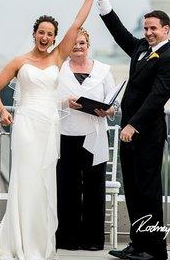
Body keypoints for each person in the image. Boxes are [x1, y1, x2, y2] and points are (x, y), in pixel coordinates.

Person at [0, 0, 98, 260]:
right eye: (41, 32)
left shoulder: (57, 56)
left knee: (43, 183)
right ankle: (18, 240)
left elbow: (77, 23)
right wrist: (2, 112)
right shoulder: (19, 61)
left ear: (54, 38)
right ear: (34, 34)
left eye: (50, 34)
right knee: (25, 180)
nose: (45, 37)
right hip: (26, 125)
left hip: (49, 126)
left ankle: (38, 241)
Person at [96, 0, 170, 260]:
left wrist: (134, 124)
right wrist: (104, 1)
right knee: (132, 191)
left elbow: (156, 98)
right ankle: (138, 244)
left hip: (146, 133)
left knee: (148, 192)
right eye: (145, 28)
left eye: (153, 28)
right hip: (128, 132)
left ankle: (156, 250)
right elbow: (120, 33)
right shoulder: (140, 49)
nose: (148, 32)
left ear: (165, 29)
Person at [56, 27, 116, 251]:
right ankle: (67, 239)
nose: (78, 47)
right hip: (66, 133)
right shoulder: (59, 69)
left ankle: (92, 239)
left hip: (95, 134)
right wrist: (65, 102)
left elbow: (114, 102)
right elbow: (51, 98)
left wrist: (107, 111)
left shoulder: (103, 70)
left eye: (81, 43)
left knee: (94, 187)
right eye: (74, 43)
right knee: (67, 187)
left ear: (88, 45)